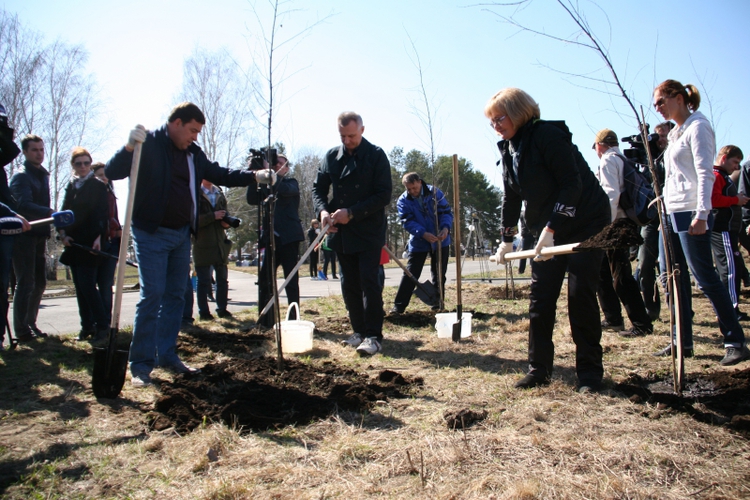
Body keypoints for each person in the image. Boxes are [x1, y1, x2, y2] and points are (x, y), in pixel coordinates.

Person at [105, 102, 266, 387]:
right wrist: (129, 146)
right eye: (192, 130)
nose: (195, 136)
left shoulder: (193, 154)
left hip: (182, 235)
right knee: (152, 294)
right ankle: (140, 364)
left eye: (198, 132)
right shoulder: (148, 144)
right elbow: (114, 171)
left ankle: (167, 355)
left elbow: (221, 174)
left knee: (177, 296)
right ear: (176, 123)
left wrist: (253, 176)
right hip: (151, 232)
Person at [487, 88, 611, 392]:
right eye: (491, 121)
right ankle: (538, 368)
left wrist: (552, 229)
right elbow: (511, 196)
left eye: (499, 118)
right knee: (541, 298)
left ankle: (590, 374)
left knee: (580, 296)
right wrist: (507, 238)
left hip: (585, 222)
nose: (496, 126)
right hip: (546, 229)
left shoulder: (548, 136)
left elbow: (572, 184)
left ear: (518, 112)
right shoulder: (509, 148)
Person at [652, 79, 748, 365]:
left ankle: (735, 340)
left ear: (679, 98)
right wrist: (664, 212)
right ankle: (681, 341)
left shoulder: (698, 127)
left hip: (691, 210)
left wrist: (702, 214)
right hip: (671, 212)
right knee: (672, 278)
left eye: (661, 101)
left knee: (704, 277)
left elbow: (705, 174)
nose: (657, 108)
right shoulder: (675, 133)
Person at [313, 112, 392, 356]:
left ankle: (373, 335)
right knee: (349, 284)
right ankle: (358, 330)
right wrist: (323, 212)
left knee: (370, 282)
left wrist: (353, 212)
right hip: (340, 232)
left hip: (368, 230)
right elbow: (318, 189)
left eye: (352, 136)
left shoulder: (376, 155)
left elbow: (383, 194)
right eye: (343, 136)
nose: (347, 141)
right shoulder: (330, 157)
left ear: (362, 130)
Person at [593, 128, 654, 338]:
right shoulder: (623, 158)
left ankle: (641, 323)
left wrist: (604, 226)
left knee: (620, 275)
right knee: (603, 271)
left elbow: (611, 194)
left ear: (599, 145)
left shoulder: (608, 160)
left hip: (615, 223)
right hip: (624, 221)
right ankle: (613, 318)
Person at [58, 148, 110, 344]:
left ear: (90, 163)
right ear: (73, 165)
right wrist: (62, 234)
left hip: (91, 241)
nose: (83, 167)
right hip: (73, 242)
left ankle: (102, 325)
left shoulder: (97, 185)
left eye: (86, 163)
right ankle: (86, 326)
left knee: (88, 285)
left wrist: (98, 237)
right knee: (79, 287)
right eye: (78, 163)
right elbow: (63, 212)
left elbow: (101, 213)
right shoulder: (71, 185)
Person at [246, 152, 304, 326]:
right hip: (270, 238)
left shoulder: (291, 183)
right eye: (274, 163)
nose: (277, 166)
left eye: (281, 164)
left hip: (289, 238)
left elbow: (282, 189)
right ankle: (267, 318)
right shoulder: (266, 184)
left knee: (290, 280)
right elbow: (251, 199)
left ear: (286, 168)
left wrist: (268, 173)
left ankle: (294, 319)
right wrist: (255, 174)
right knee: (265, 278)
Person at [9, 134, 53, 341]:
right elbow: (22, 206)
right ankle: (21, 330)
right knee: (25, 282)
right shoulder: (21, 176)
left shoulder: (43, 175)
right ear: (25, 152)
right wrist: (50, 213)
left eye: (41, 150)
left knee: (40, 283)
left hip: (39, 235)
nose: (39, 153)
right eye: (34, 150)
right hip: (23, 235)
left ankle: (30, 323)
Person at [391, 172, 452, 313]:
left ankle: (438, 304)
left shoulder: (435, 193)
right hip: (419, 241)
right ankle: (398, 306)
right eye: (409, 189)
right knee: (410, 274)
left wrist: (445, 228)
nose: (412, 192)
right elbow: (407, 222)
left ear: (419, 182)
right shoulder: (403, 201)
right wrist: (422, 233)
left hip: (440, 240)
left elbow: (446, 213)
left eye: (414, 188)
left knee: (439, 274)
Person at [634, 121, 672, 321]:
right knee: (645, 263)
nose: (661, 140)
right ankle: (651, 309)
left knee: (672, 267)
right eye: (658, 137)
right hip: (651, 217)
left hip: (671, 214)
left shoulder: (676, 156)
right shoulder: (649, 160)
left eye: (665, 135)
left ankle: (679, 310)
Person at [0, 105, 30, 348]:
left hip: (5, 227)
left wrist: (3, 126)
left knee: (3, 287)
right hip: (6, 216)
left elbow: (11, 150)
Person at [710, 145, 748, 320]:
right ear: (724, 158)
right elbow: (714, 199)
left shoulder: (724, 176)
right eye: (734, 162)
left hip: (730, 229)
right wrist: (736, 200)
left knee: (733, 267)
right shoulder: (717, 175)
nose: (736, 167)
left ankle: (730, 308)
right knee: (730, 269)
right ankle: (730, 310)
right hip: (722, 229)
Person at [194, 179, 232, 320]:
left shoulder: (219, 193)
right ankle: (204, 312)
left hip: (220, 243)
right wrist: (213, 216)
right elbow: (193, 219)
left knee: (222, 280)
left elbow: (225, 214)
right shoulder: (195, 192)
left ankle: (222, 309)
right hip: (202, 243)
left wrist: (226, 223)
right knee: (203, 281)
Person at [92, 162, 121, 324]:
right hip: (95, 244)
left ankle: (107, 322)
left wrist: (118, 231)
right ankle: (97, 321)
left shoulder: (111, 194)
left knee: (106, 284)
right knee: (92, 285)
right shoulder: (91, 194)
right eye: (99, 175)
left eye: (105, 175)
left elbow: (113, 219)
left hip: (111, 244)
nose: (103, 178)